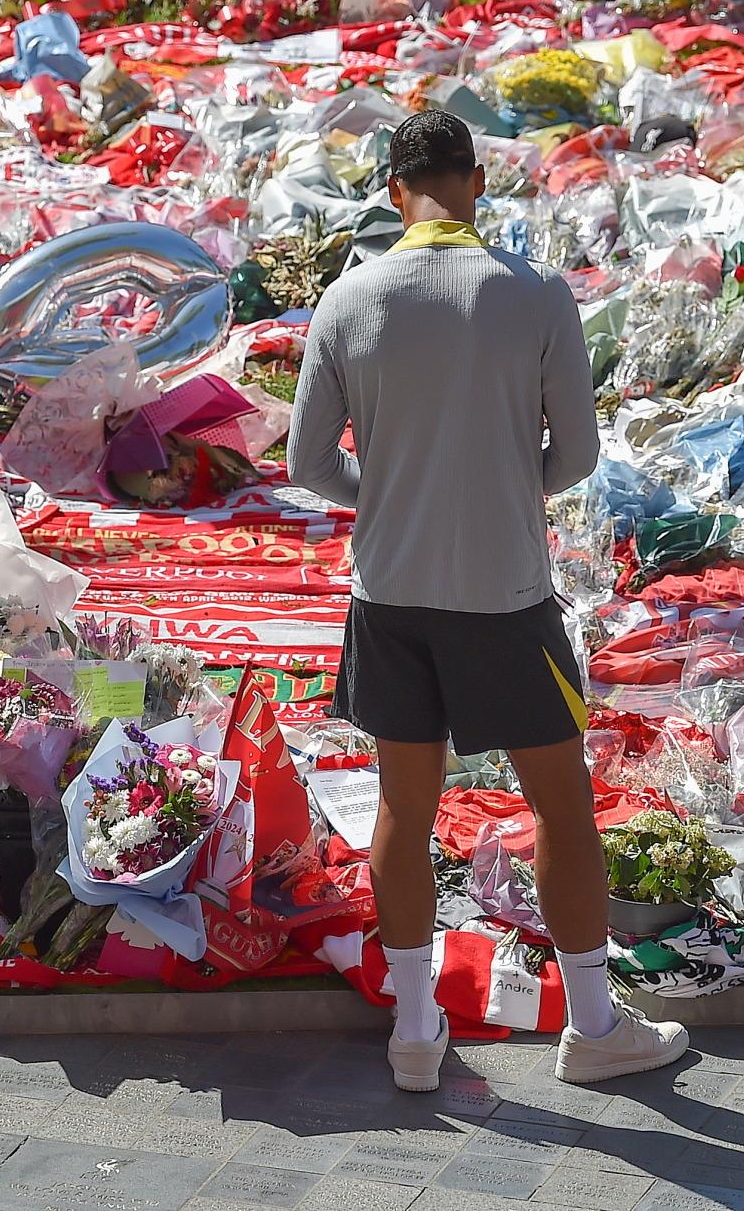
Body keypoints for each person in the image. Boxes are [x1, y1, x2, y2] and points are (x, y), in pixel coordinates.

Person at [288, 109, 691, 1092]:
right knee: (562, 807)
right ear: (475, 182)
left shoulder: (348, 299)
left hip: (390, 591)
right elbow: (580, 455)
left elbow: (306, 462)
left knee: (402, 806)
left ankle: (417, 1028)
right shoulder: (534, 295)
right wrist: (509, 484)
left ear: (393, 191)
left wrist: (383, 493)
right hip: (507, 596)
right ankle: (592, 1024)